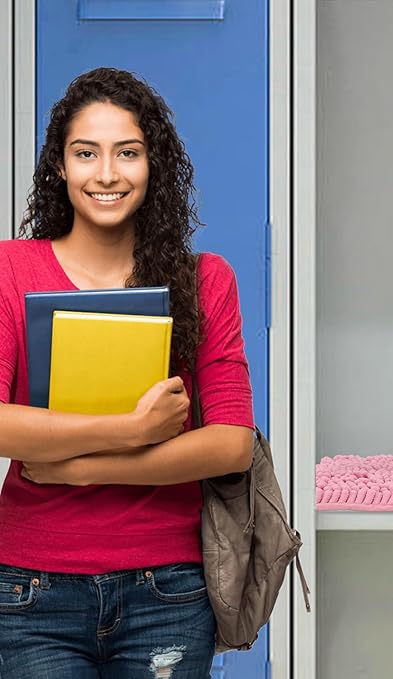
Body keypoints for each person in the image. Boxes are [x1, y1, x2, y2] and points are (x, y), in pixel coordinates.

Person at [0, 67, 255, 677]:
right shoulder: (10, 271)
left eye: (128, 153)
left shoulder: (204, 279)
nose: (107, 174)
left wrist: (85, 468)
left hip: (167, 590)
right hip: (30, 589)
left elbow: (232, 444)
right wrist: (131, 427)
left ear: (154, 163)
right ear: (59, 167)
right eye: (86, 153)